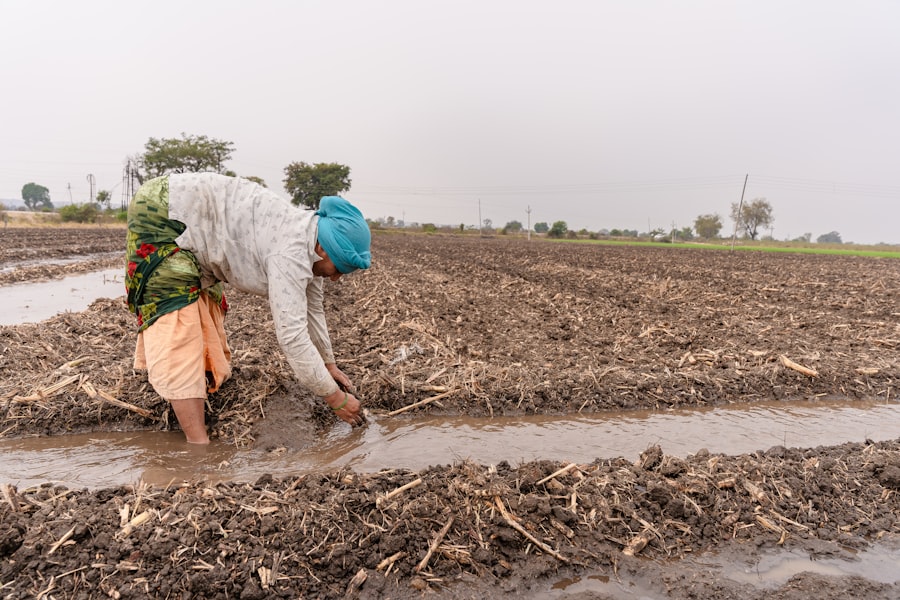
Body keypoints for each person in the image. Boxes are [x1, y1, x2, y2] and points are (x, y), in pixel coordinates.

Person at [124, 172, 370, 444]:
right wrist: (335, 399)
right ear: (324, 248)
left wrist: (328, 364)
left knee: (205, 309)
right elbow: (292, 337)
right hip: (165, 212)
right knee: (179, 317)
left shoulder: (308, 240)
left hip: (193, 217)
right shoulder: (290, 251)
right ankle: (198, 448)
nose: (336, 278)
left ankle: (196, 402)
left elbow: (313, 310)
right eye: (339, 269)